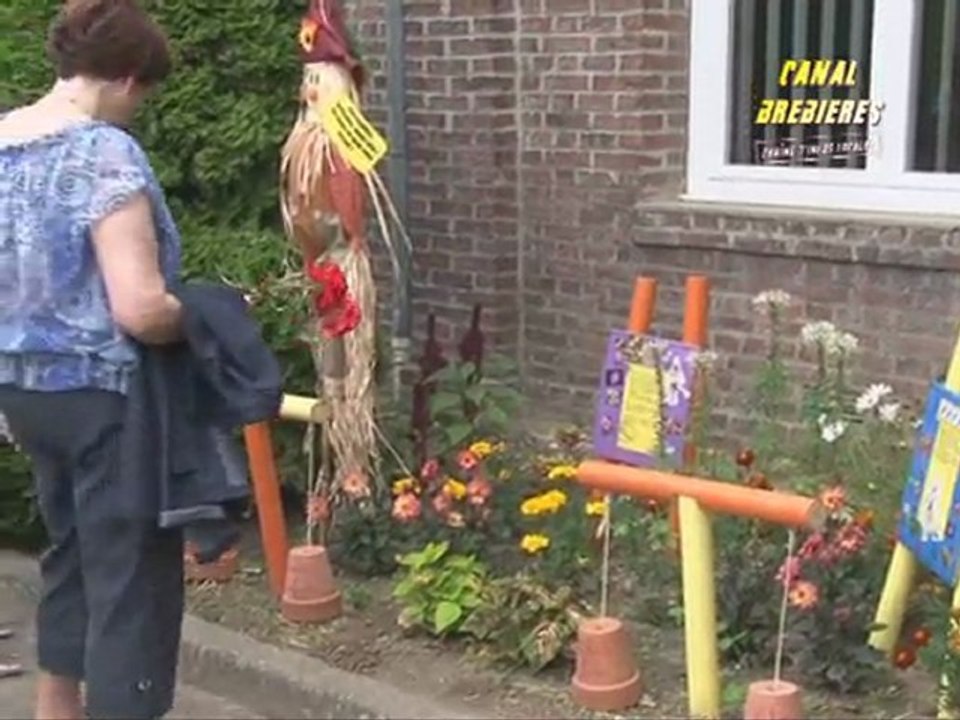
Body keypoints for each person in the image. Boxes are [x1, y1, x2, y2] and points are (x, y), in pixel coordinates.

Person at [0, 1, 186, 718]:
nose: (138, 110)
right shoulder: (101, 152)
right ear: (128, 77)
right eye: (143, 94)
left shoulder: (5, 139)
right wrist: (191, 320)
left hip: (23, 392)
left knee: (72, 550)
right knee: (129, 576)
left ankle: (56, 709)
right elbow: (138, 306)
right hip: (101, 393)